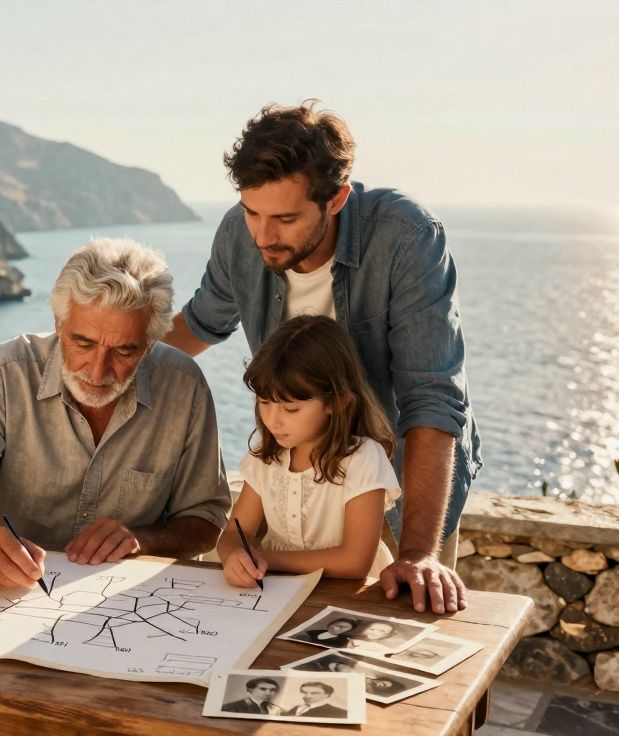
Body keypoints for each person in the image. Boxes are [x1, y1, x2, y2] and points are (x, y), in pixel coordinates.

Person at [164, 101, 479, 614]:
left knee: (403, 623)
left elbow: (431, 399)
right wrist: (106, 360)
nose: (262, 236)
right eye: (251, 212)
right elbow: (198, 325)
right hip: (294, 481)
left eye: (285, 218)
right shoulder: (239, 235)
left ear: (336, 199)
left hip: (401, 481)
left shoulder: (406, 238)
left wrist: (419, 553)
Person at [0, 237, 232, 589]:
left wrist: (142, 540)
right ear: (58, 323)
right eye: (83, 343)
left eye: (124, 351)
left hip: (126, 600)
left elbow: (206, 519)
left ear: (151, 342)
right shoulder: (4, 374)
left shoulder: (185, 387)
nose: (97, 371)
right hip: (14, 594)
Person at [217, 316, 400, 584]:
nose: (272, 420)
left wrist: (266, 558)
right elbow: (235, 533)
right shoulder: (266, 458)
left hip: (346, 596)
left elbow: (355, 562)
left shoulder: (363, 459)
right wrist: (235, 555)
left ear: (336, 402)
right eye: (264, 402)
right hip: (278, 591)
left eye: (290, 409)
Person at [295, 617, 360, 648]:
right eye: (339, 626)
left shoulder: (342, 641)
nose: (338, 629)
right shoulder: (312, 629)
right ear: (333, 622)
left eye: (344, 629)